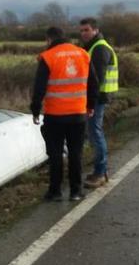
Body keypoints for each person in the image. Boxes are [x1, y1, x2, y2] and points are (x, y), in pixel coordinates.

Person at [31, 27, 98, 202]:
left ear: (49, 39)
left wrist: (35, 110)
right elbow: (93, 84)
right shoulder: (83, 54)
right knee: (76, 153)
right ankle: (76, 192)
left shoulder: (48, 56)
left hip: (55, 115)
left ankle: (55, 192)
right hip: (78, 114)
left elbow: (39, 88)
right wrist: (90, 105)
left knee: (55, 154)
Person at [78, 18, 118, 189]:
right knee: (94, 133)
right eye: (81, 30)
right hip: (97, 97)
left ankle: (100, 173)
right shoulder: (91, 47)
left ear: (95, 30)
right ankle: (100, 171)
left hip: (98, 98)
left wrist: (90, 104)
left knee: (95, 133)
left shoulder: (100, 48)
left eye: (86, 30)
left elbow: (97, 80)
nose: (83, 33)